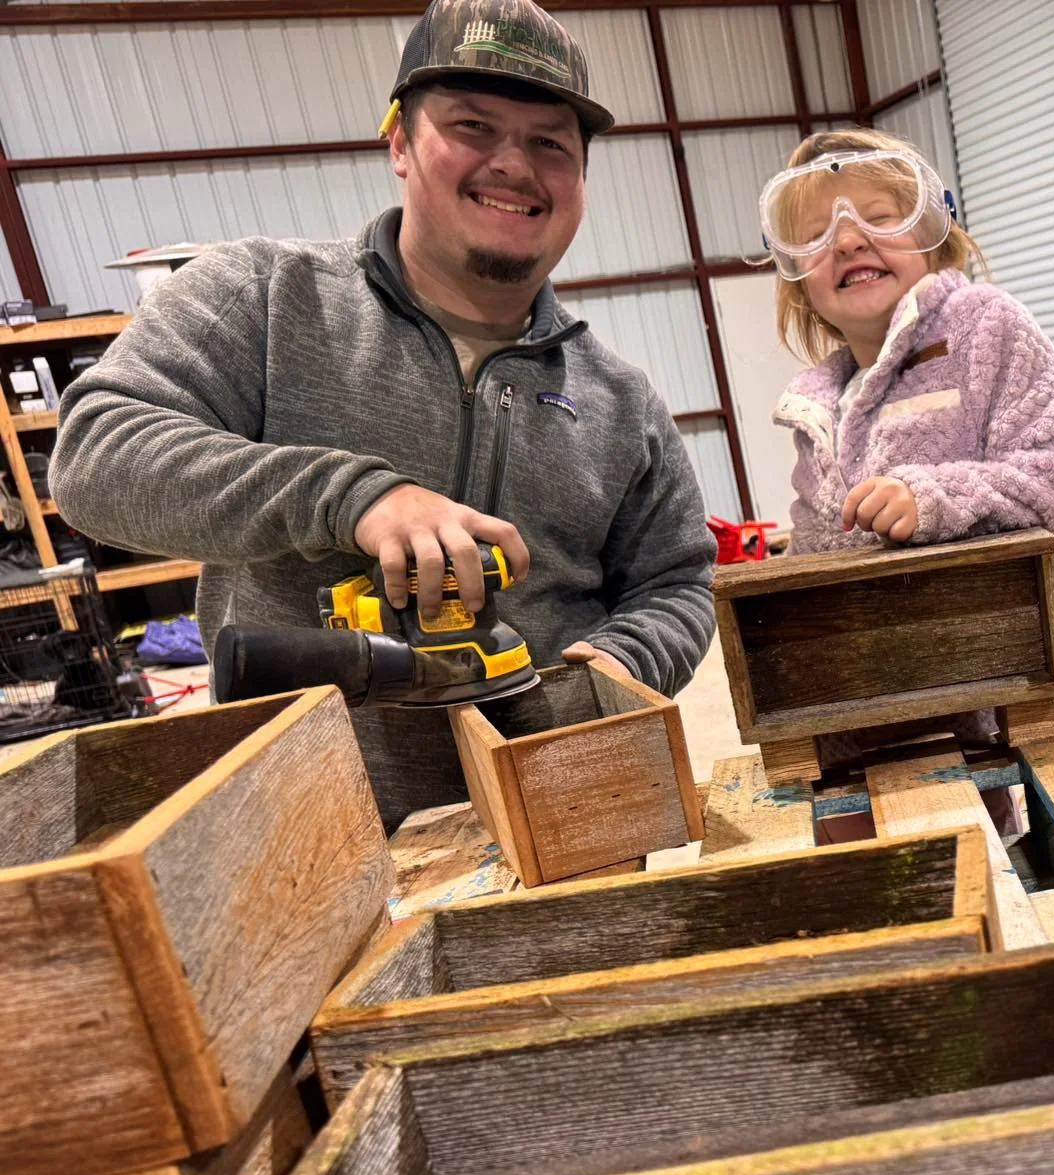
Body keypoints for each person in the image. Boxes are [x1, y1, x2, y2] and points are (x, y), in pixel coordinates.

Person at [52, 0, 717, 826]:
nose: (515, 164)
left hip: (565, 817)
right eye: (474, 125)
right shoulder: (260, 298)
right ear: (399, 141)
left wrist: (612, 672)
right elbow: (96, 457)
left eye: (550, 141)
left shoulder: (623, 400)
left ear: (580, 177)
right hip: (308, 830)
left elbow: (678, 582)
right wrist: (352, 497)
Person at [763, 128, 1054, 551]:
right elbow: (812, 550)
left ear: (931, 235)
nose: (849, 241)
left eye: (879, 217)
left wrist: (932, 498)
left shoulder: (982, 325)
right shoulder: (816, 407)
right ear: (799, 284)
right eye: (817, 235)